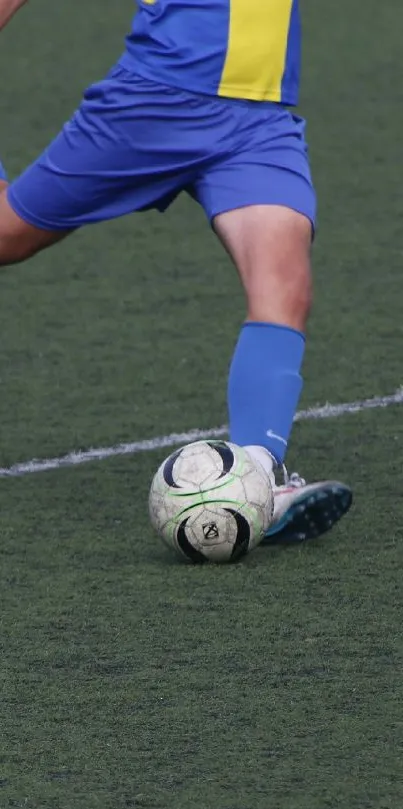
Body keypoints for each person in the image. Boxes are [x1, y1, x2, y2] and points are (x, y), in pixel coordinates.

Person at [0, 0, 352, 544]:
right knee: (7, 237)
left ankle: (258, 476)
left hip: (258, 119)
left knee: (286, 285)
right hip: (154, 103)